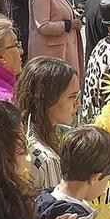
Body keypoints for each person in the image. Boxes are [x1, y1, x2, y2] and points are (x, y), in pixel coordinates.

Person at [17, 55, 81, 190]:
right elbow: (54, 209)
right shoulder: (46, 160)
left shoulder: (19, 133)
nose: (78, 103)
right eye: (72, 97)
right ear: (48, 100)